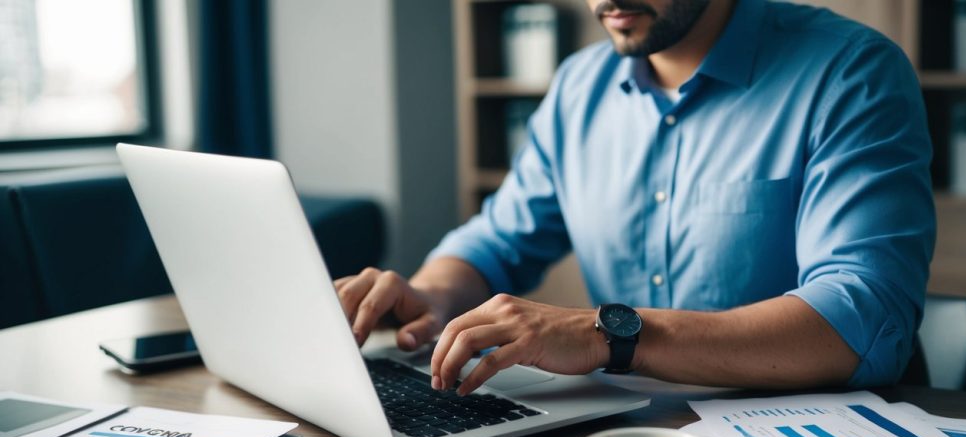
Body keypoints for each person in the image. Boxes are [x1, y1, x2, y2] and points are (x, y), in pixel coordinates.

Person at [334, 0, 935, 396]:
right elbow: (498, 239)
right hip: (630, 435)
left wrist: (610, 335)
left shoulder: (851, 72)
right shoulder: (579, 86)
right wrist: (432, 296)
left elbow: (862, 316)